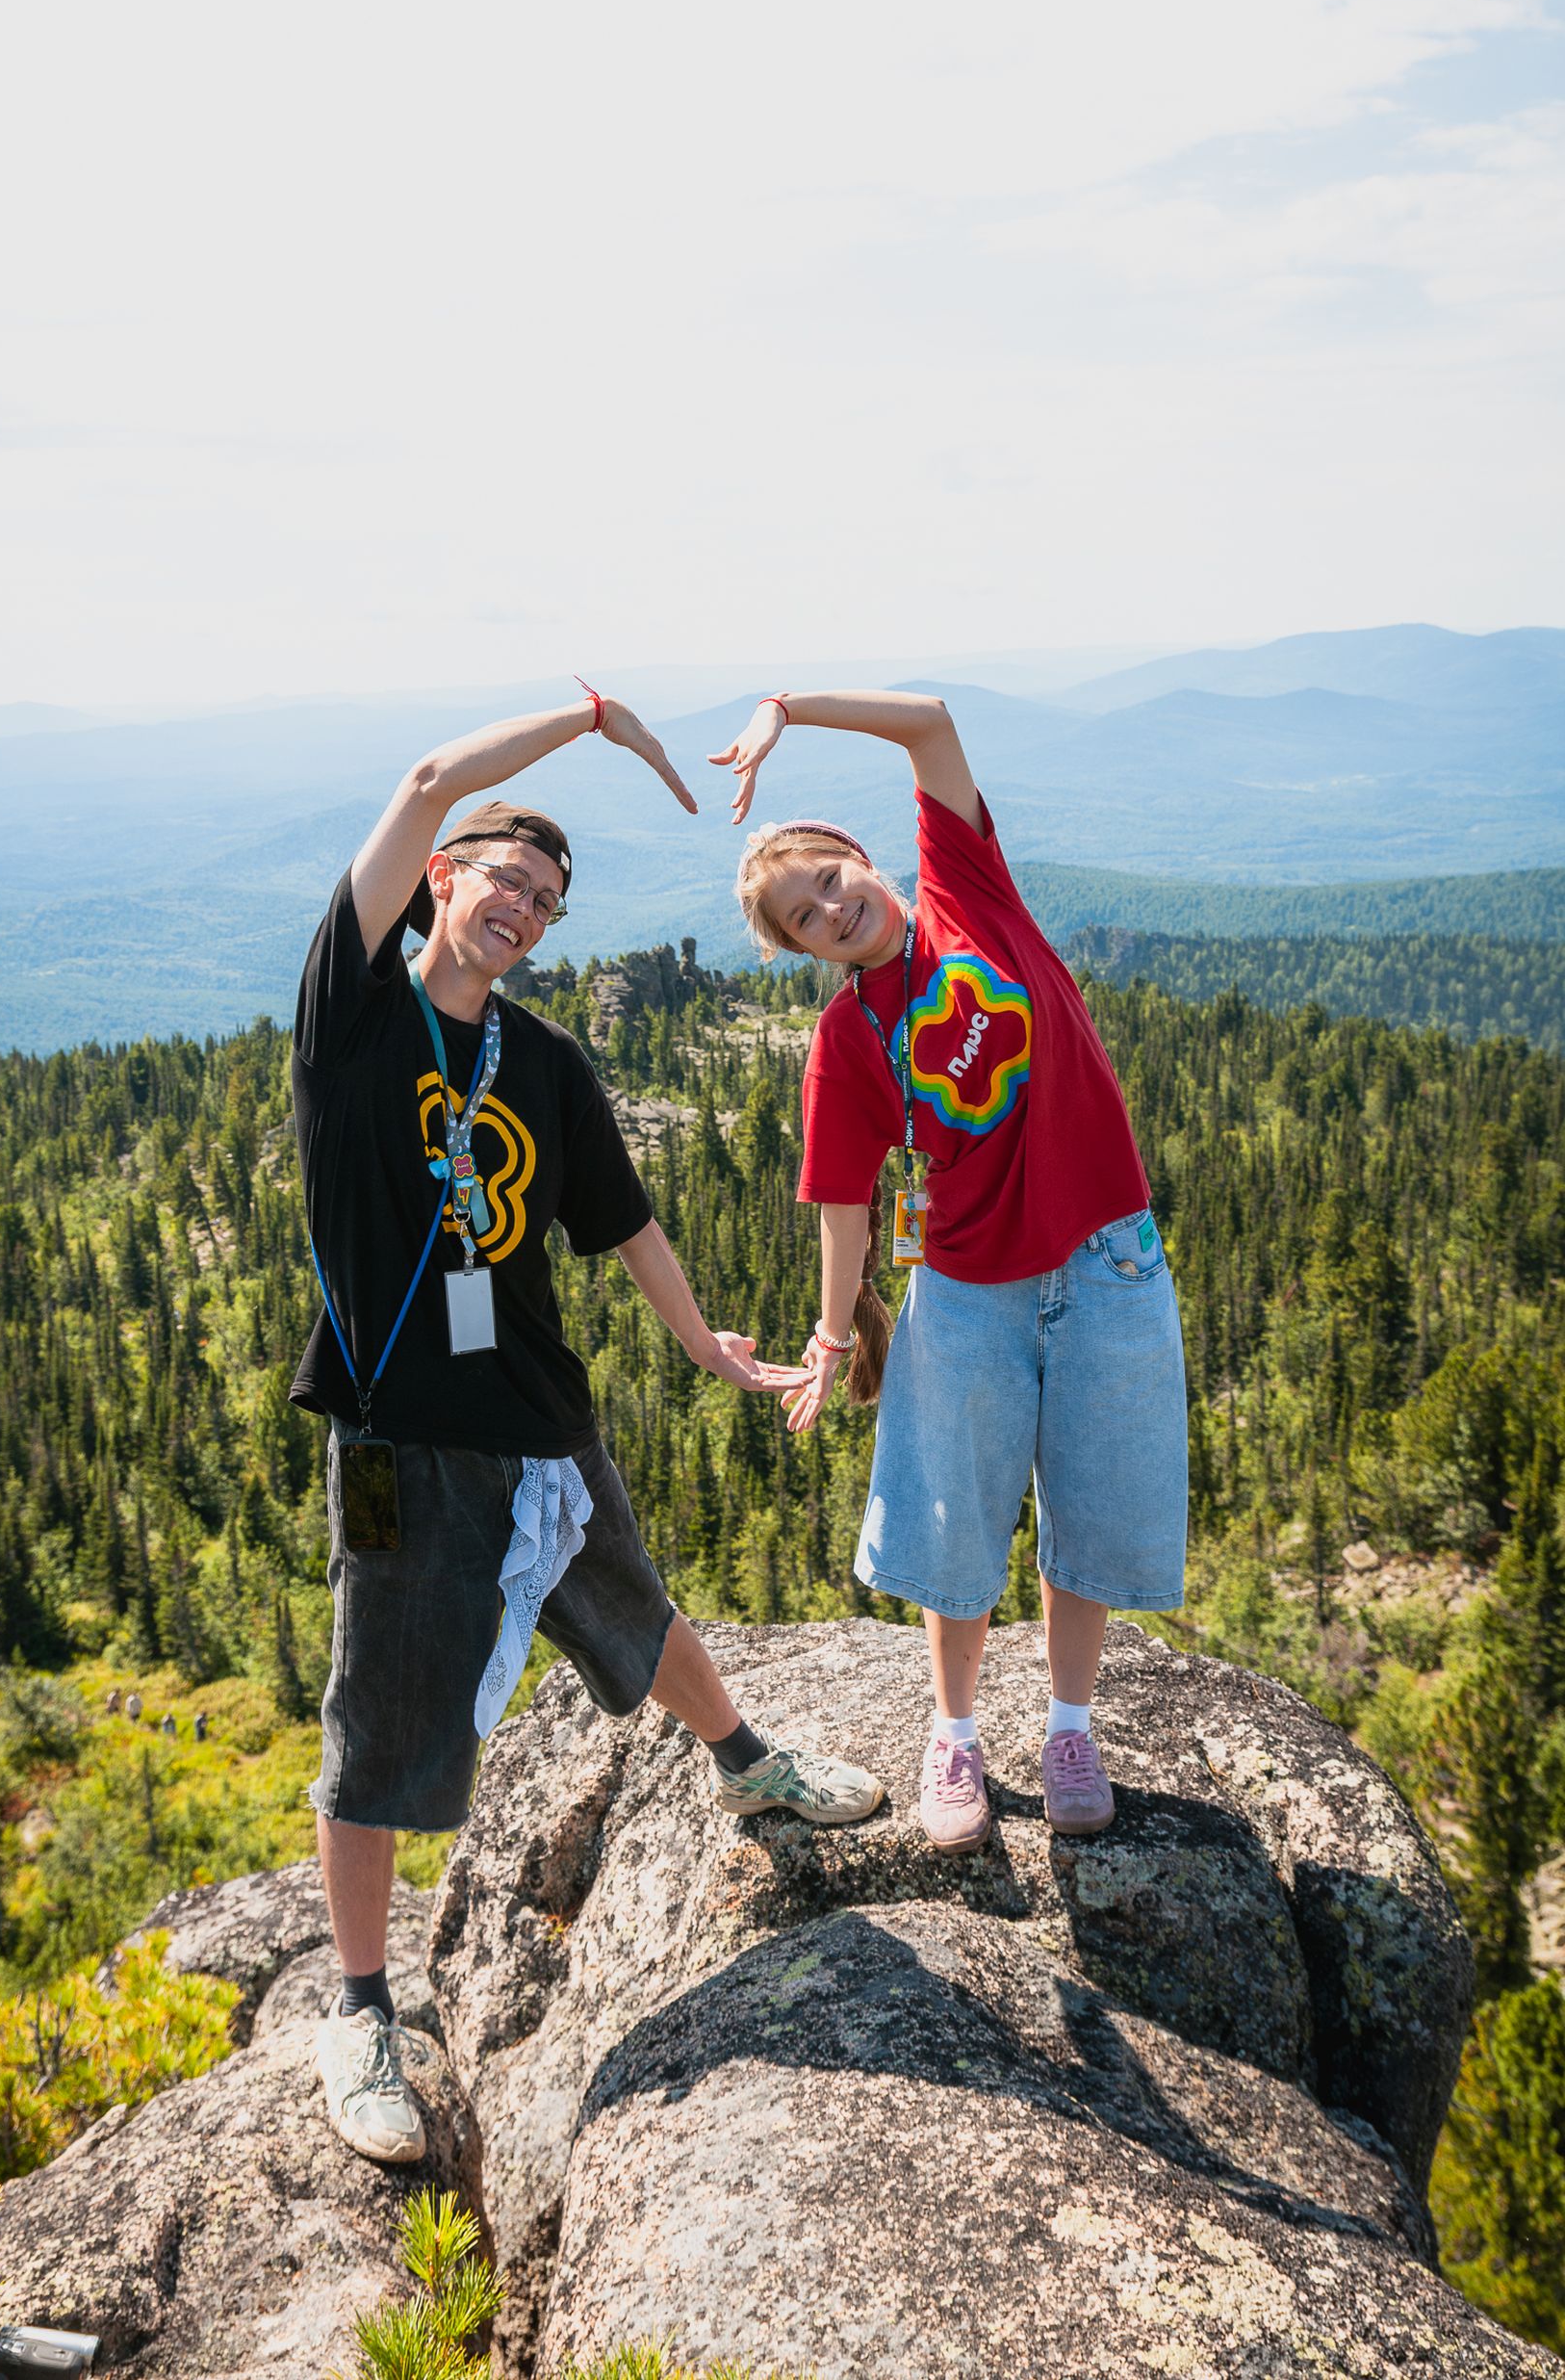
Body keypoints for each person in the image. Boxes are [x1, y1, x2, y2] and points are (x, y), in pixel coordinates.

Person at [291, 685, 885, 2166]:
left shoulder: (544, 1059)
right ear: (443, 878)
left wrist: (704, 1342)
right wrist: (590, 718)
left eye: (547, 902)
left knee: (627, 1599)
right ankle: (358, 2009)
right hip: (397, 1434)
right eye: (506, 881)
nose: (523, 911)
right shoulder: (355, 1010)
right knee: (378, 1706)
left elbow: (623, 1220)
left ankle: (750, 1762)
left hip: (540, 1419)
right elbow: (426, 774)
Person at [712, 688, 1188, 1856]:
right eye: (808, 917)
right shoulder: (843, 1043)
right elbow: (841, 1207)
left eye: (831, 878)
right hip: (970, 1285)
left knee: (1091, 1502)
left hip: (1108, 1252)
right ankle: (955, 1734)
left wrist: (785, 708)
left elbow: (928, 722)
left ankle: (1070, 1730)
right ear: (810, 952)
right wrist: (834, 1334)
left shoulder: (970, 887)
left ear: (862, 855)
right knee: (956, 1519)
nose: (834, 906)